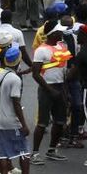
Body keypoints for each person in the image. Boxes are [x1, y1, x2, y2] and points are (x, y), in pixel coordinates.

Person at [0, 46, 40, 174]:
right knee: (24, 152)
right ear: (18, 60)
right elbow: (16, 103)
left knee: (3, 153)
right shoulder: (14, 78)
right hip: (11, 121)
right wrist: (24, 125)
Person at [30, 20, 72, 164]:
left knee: (60, 121)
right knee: (42, 122)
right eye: (59, 31)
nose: (62, 32)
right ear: (53, 33)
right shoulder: (41, 50)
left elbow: (64, 70)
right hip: (46, 89)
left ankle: (52, 150)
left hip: (60, 88)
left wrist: (65, 91)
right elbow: (35, 74)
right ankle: (35, 153)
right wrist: (50, 90)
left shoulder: (62, 46)